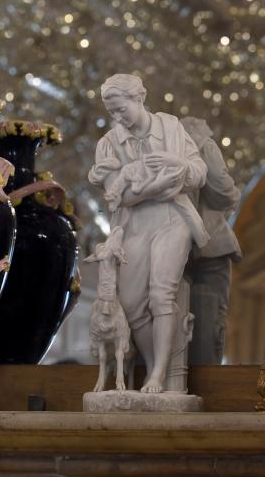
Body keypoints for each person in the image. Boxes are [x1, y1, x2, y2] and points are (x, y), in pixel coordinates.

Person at [88, 74, 209, 394]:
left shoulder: (170, 127)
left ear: (139, 98)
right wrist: (160, 185)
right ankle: (158, 365)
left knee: (161, 293)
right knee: (130, 303)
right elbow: (120, 198)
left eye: (121, 109)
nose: (117, 117)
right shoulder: (108, 143)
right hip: (133, 225)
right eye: (111, 112)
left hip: (172, 219)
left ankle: (157, 375)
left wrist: (175, 163)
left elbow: (198, 174)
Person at [180, 116, 243, 365]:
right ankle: (207, 379)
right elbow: (222, 190)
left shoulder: (163, 147)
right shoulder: (203, 144)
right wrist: (235, 195)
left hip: (174, 245)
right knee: (211, 318)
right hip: (210, 246)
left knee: (174, 319)